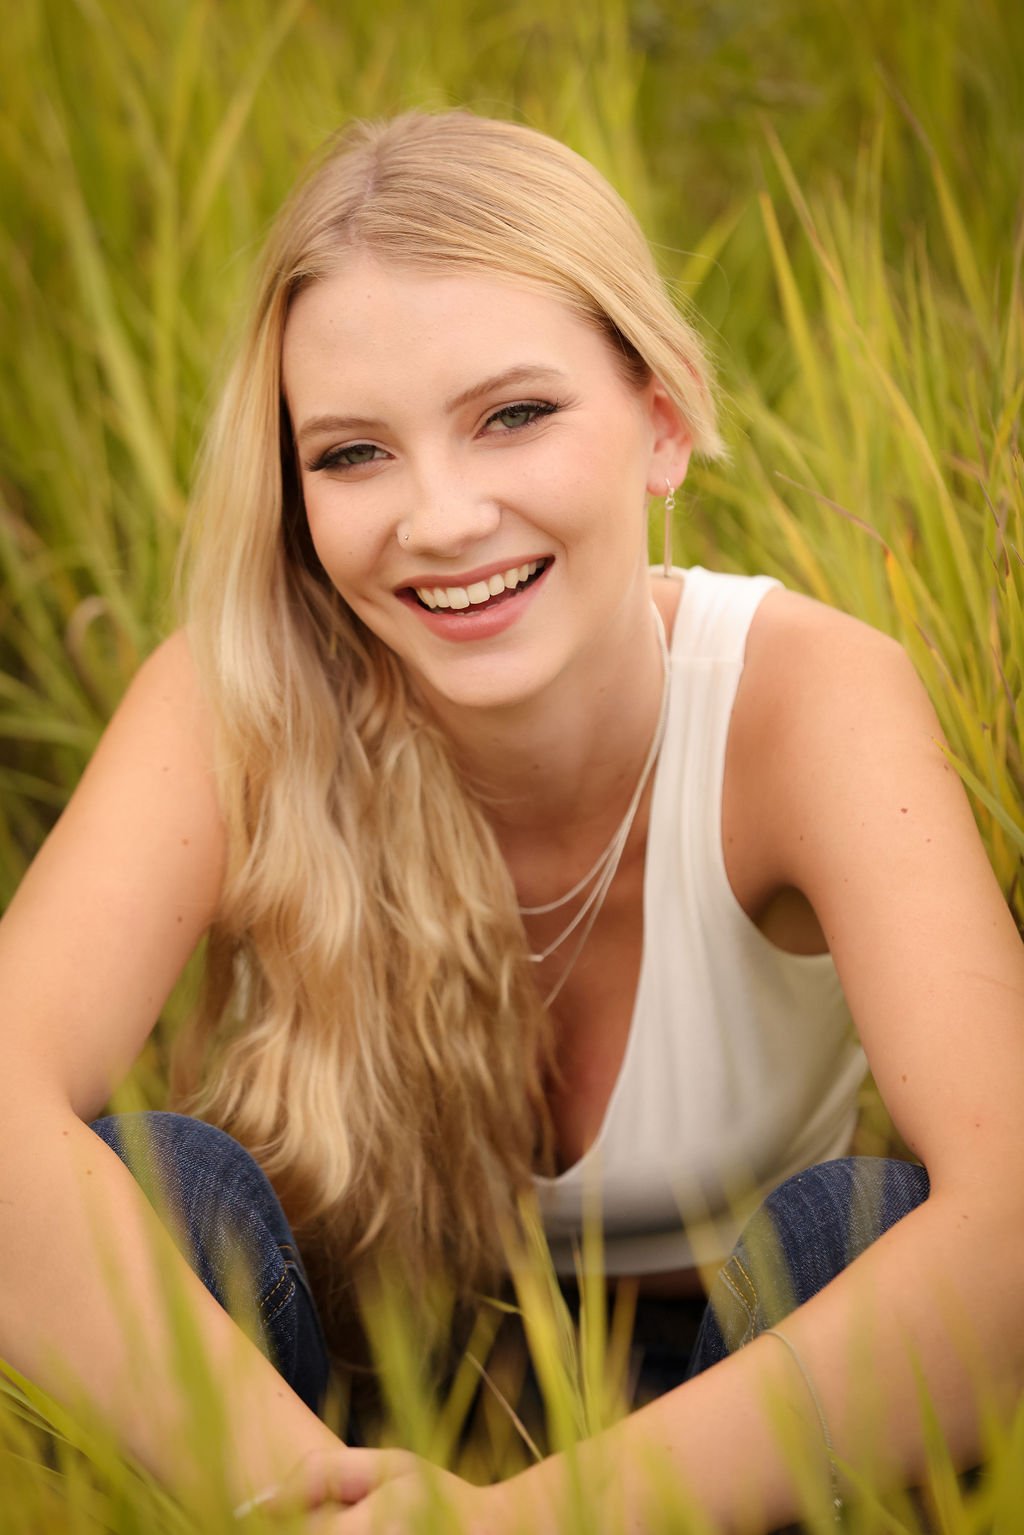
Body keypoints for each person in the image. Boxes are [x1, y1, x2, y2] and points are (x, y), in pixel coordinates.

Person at [1, 107, 1022, 1533]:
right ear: (296, 497)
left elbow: (1011, 1220)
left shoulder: (811, 700)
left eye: (515, 415)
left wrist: (520, 1524)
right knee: (159, 1189)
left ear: (661, 420)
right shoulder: (238, 699)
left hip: (730, 1420)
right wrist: (305, 1498)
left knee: (861, 1234)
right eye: (353, 454)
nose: (441, 515)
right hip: (337, 1401)